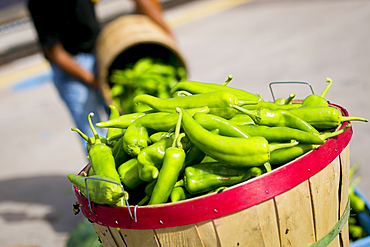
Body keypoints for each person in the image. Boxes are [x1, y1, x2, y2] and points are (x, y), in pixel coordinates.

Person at [27, 0, 174, 148]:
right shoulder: (40, 4)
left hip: (98, 53)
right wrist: (92, 79)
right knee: (92, 134)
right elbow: (55, 53)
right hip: (70, 68)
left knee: (122, 122)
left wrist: (164, 29)